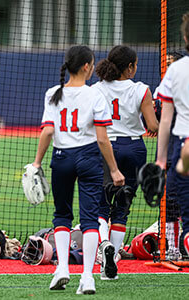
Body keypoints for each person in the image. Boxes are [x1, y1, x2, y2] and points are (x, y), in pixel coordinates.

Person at [32, 45, 124, 295]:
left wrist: (37, 163)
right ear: (86, 66)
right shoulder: (95, 95)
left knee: (62, 215)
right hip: (88, 158)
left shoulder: (53, 93)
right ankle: (87, 278)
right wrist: (114, 170)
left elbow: (48, 131)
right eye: (92, 64)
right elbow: (103, 139)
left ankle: (62, 269)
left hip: (61, 158)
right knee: (90, 219)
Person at [92, 45, 159, 279]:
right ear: (129, 67)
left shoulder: (96, 89)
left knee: (100, 206)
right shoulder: (141, 89)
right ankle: (114, 256)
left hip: (106, 147)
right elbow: (153, 127)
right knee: (122, 208)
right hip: (134, 148)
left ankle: (104, 249)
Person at [155, 12, 189, 259]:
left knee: (178, 192)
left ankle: (183, 239)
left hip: (182, 141)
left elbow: (164, 120)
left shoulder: (176, 72)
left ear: (185, 37)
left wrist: (160, 159)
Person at [153, 50, 185, 261]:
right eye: (164, 63)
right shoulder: (160, 89)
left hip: (179, 144)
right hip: (174, 147)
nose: (166, 67)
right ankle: (173, 247)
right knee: (171, 200)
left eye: (170, 63)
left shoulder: (179, 82)